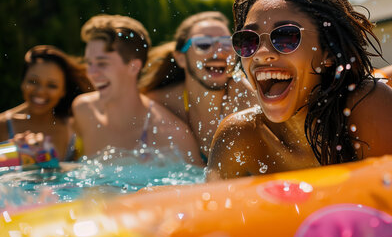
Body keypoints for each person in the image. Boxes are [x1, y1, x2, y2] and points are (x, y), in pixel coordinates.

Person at [207, 0, 392, 180]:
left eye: (285, 37)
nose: (261, 54)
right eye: (248, 41)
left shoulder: (368, 106)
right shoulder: (238, 135)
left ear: (327, 53)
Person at [71, 14, 201, 165]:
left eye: (102, 63)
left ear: (134, 67)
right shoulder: (84, 111)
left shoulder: (171, 135)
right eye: (89, 63)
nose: (91, 73)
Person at [139, 11, 256, 164]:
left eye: (227, 43)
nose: (218, 52)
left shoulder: (246, 99)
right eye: (203, 44)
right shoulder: (163, 102)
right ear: (181, 58)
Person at [0, 45, 93, 161]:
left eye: (52, 85)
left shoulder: (75, 127)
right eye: (33, 81)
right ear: (22, 82)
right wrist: (10, 153)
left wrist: (46, 158)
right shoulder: (2, 125)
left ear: (63, 91)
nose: (40, 92)